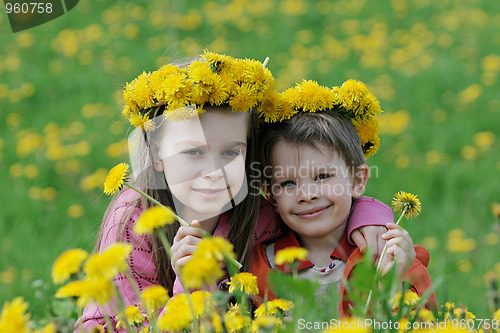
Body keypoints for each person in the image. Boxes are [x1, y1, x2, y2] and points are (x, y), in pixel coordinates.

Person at [76, 52, 391, 331]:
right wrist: (191, 288)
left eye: (230, 153)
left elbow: (318, 206)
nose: (213, 173)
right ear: (158, 153)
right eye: (193, 153)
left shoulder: (258, 205)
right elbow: (121, 324)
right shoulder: (135, 219)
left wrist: (366, 216)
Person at [251, 80, 437, 316]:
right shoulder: (260, 266)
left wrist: (393, 285)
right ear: (271, 196)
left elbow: (428, 323)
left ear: (358, 180)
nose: (307, 195)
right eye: (288, 183)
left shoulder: (387, 256)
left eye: (322, 176)